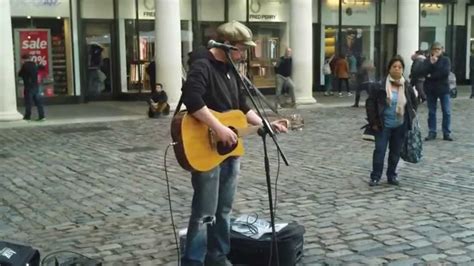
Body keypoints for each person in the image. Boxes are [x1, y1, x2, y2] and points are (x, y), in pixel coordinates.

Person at [180, 20, 288, 266]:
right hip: (206, 148)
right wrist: (218, 127)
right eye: (241, 48)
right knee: (204, 212)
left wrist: (266, 124)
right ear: (226, 45)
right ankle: (193, 261)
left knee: (224, 210)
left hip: (230, 150)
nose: (244, 54)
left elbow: (243, 107)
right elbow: (192, 98)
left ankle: (217, 256)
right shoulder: (202, 66)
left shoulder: (231, 70)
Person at [366, 55, 418, 186]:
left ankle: (392, 175)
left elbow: (413, 103)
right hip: (383, 125)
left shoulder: (406, 86)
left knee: (395, 152)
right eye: (394, 66)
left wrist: (409, 117)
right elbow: (371, 104)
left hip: (400, 125)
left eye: (400, 67)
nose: (397, 69)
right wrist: (374, 122)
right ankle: (375, 176)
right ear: (389, 69)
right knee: (380, 150)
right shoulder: (380, 85)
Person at [420, 42, 453, 141]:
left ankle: (446, 132)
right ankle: (432, 131)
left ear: (442, 50)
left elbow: (445, 73)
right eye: (435, 49)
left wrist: (432, 75)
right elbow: (423, 72)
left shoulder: (445, 60)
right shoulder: (427, 61)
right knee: (431, 112)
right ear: (432, 50)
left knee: (446, 111)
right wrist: (431, 64)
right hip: (431, 89)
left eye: (438, 49)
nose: (436, 51)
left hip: (443, 89)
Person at [18, 54, 45, 121]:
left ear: (23, 59)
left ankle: (27, 116)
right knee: (38, 102)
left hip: (28, 87)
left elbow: (20, 74)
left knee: (28, 102)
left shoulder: (25, 66)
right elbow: (42, 67)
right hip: (36, 86)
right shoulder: (34, 64)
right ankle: (42, 116)